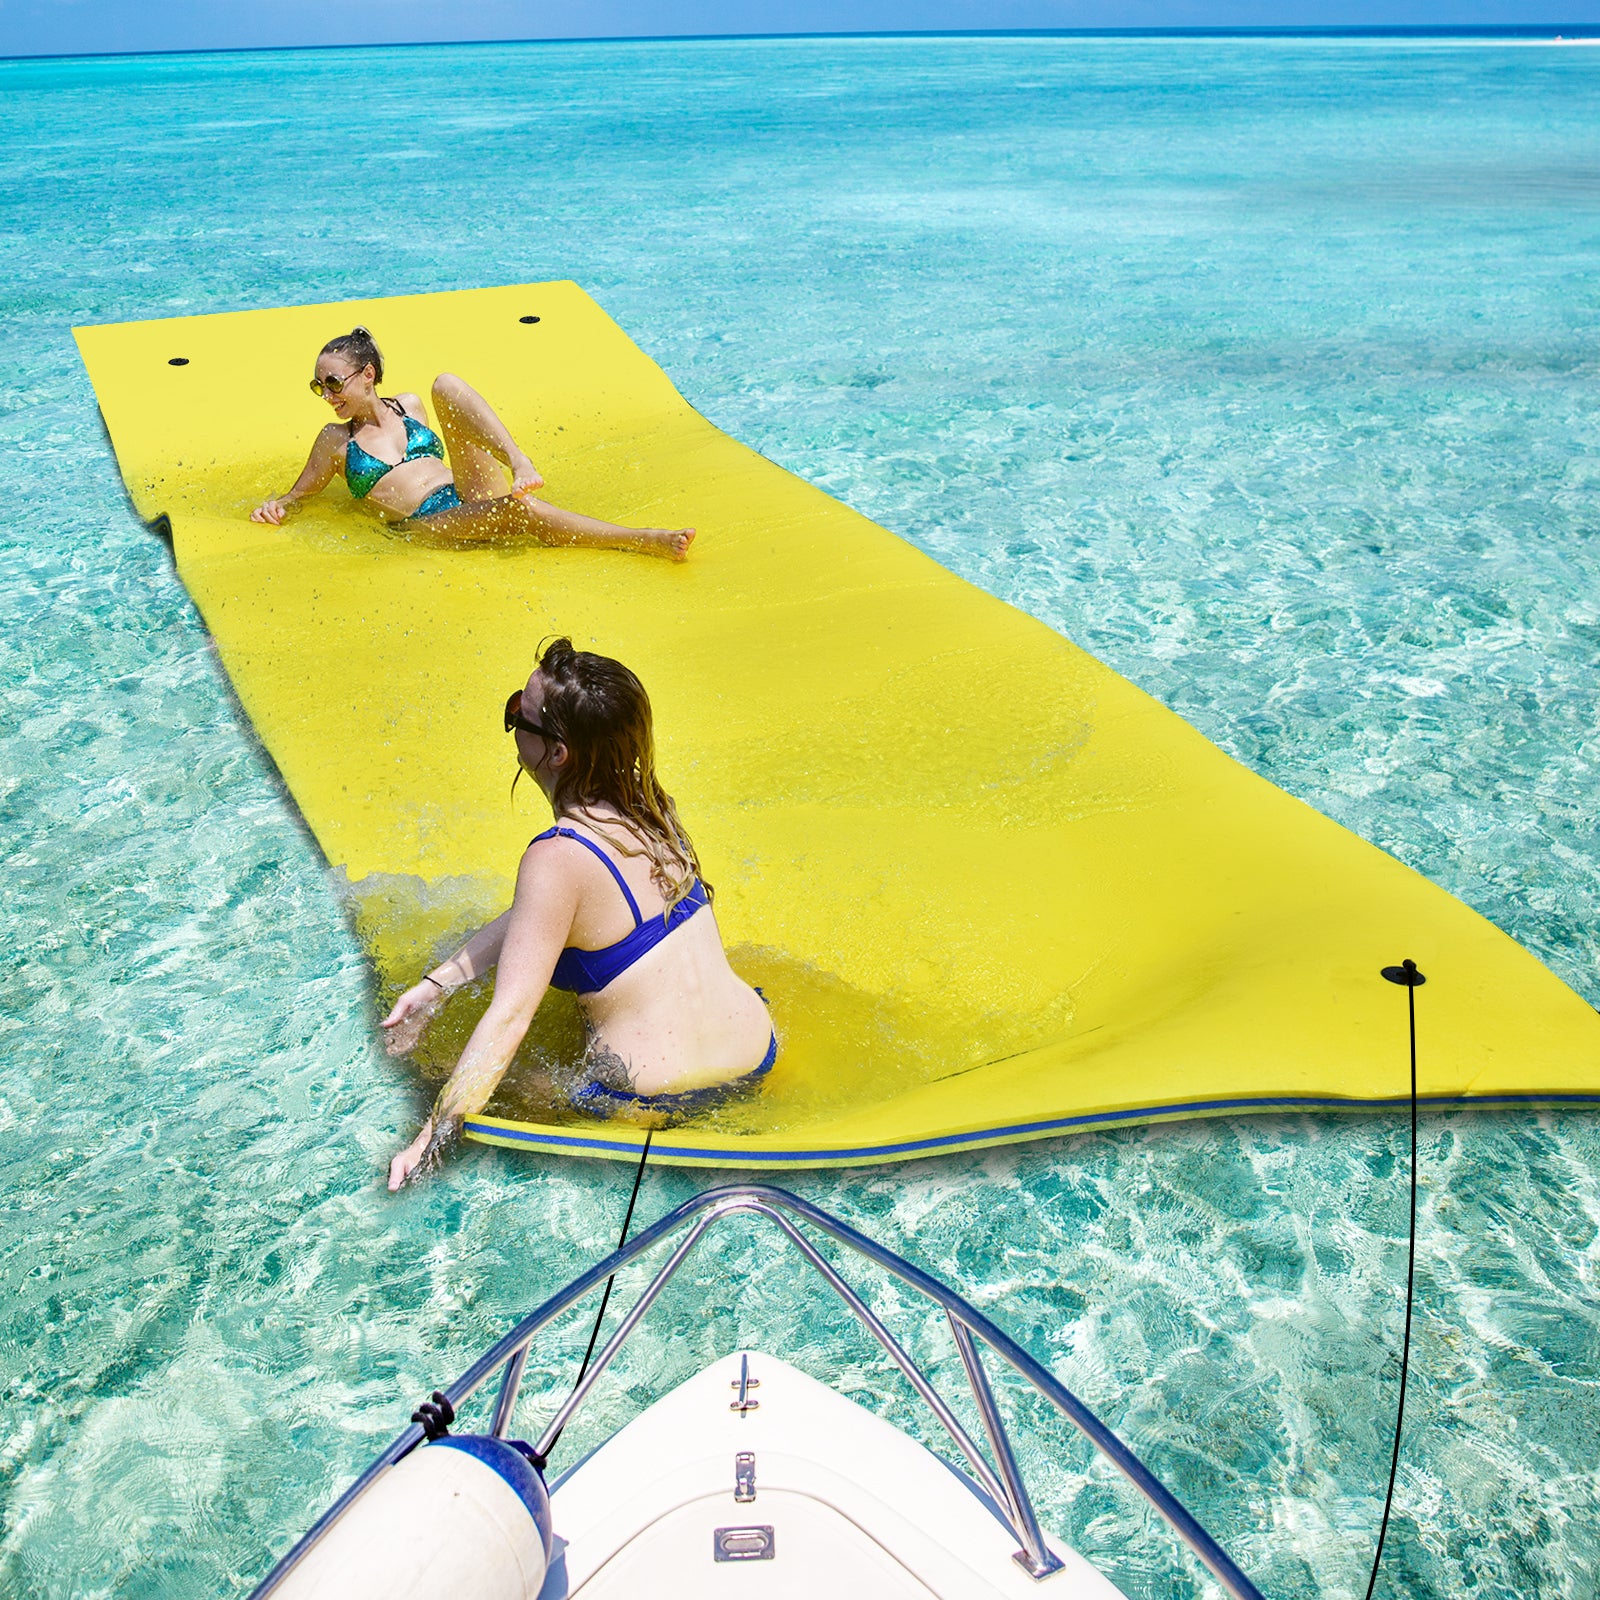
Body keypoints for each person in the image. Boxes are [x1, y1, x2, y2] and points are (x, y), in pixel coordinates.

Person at [382, 637, 774, 1189]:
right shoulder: (650, 809)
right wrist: (440, 983)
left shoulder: (556, 857)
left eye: (520, 713)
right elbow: (537, 917)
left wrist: (429, 1137)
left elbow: (510, 1017)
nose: (513, 718)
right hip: (757, 1054)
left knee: (436, 1070)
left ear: (557, 752)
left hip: (652, 1099)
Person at [249, 327, 695, 561]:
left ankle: (519, 461)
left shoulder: (409, 405)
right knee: (521, 510)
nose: (327, 396)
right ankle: (641, 539)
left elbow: (457, 422)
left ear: (367, 374)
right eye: (318, 387)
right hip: (423, 522)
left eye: (332, 383)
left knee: (446, 384)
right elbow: (298, 494)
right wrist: (278, 506)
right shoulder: (336, 440)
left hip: (465, 497)